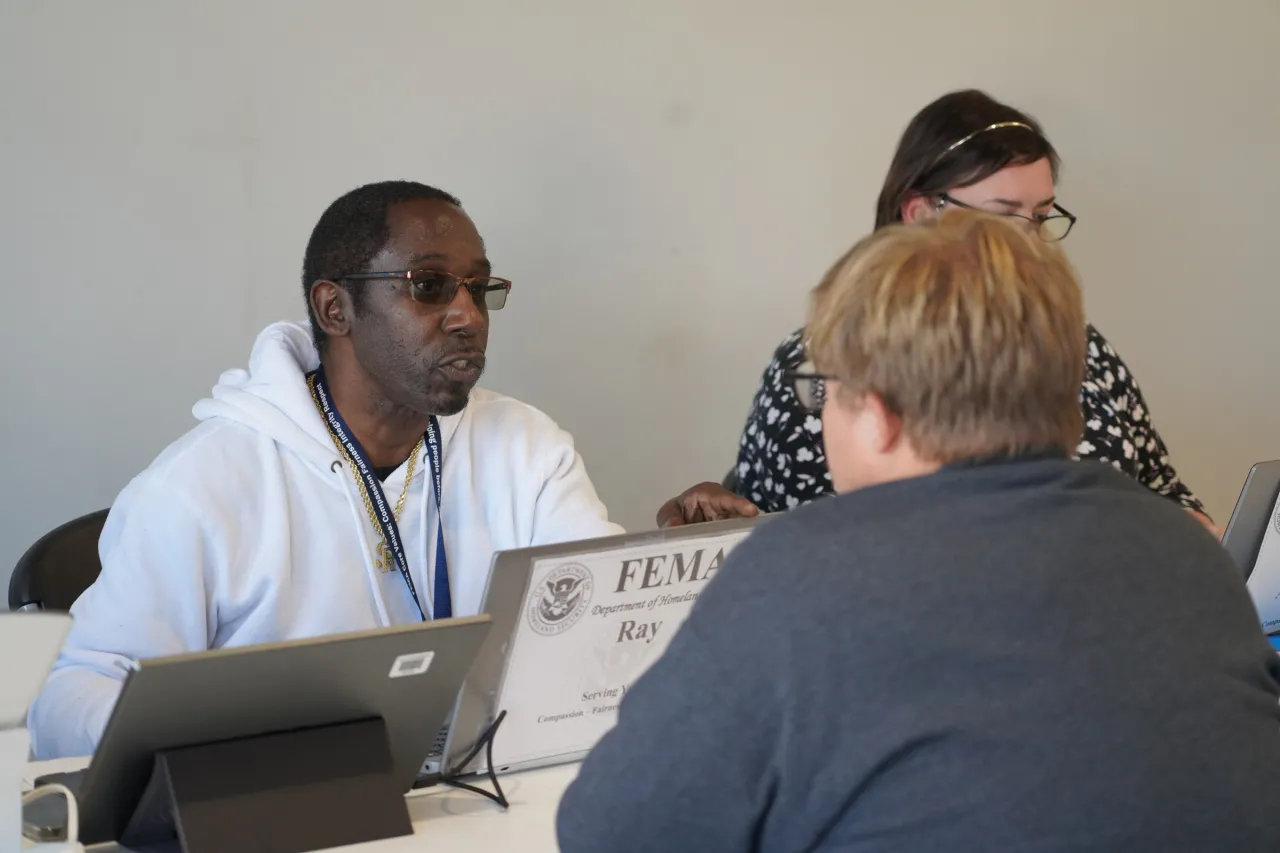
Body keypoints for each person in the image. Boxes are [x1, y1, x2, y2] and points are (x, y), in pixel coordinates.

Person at [558, 212, 1280, 852]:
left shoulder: (801, 573)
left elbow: (611, 829)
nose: (820, 415)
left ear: (880, 414)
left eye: (825, 392)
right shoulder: (1187, 549)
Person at [28, 180, 746, 759]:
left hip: (487, 809)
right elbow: (71, 698)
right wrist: (230, 738)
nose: (468, 314)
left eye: (478, 286)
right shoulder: (200, 486)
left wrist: (677, 567)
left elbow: (598, 656)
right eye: (429, 286)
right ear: (335, 307)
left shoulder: (527, 447)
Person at [726, 89, 1214, 531]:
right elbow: (801, 547)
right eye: (1003, 217)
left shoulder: (1078, 343)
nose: (1032, 242)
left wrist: (1195, 536)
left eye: (1042, 216)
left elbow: (1162, 487)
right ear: (919, 214)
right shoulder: (824, 364)